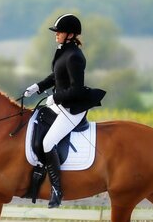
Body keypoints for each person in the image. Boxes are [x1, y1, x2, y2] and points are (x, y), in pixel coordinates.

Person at [24, 14, 106, 208]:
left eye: (59, 32)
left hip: (71, 109)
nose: (56, 35)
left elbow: (77, 89)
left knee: (48, 141)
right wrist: (38, 87)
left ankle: (57, 189)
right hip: (59, 104)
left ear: (70, 34)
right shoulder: (64, 51)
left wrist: (56, 97)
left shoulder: (75, 57)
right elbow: (56, 76)